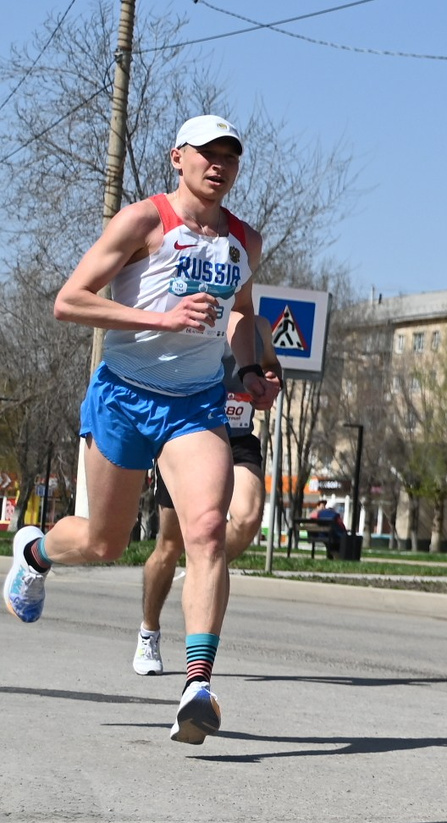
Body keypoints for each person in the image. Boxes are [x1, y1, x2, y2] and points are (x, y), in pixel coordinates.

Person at [8, 116, 280, 744]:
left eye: (230, 157)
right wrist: (159, 317)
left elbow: (240, 317)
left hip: (195, 405)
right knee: (104, 543)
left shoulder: (245, 242)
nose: (219, 166)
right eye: (207, 154)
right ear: (177, 158)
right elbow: (69, 300)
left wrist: (248, 370)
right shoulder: (143, 221)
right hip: (124, 395)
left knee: (207, 531)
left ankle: (197, 686)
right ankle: (35, 552)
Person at [133, 310, 277, 674]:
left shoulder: (259, 326)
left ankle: (202, 567)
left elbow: (271, 365)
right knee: (168, 546)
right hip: (190, 436)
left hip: (240, 436)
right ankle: (149, 630)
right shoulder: (192, 313)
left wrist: (271, 378)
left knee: (246, 518)